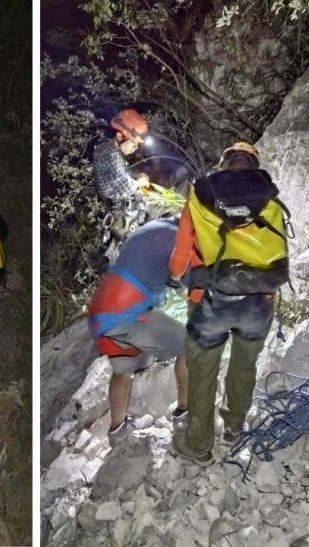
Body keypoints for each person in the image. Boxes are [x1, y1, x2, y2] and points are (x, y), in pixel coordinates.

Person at [168, 142, 285, 466]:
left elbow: (181, 253)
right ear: (253, 165)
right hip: (257, 301)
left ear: (223, 164)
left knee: (203, 371)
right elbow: (276, 252)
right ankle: (234, 427)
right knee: (244, 366)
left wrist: (176, 277)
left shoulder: (201, 196)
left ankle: (198, 445)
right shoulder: (268, 197)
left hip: (209, 301)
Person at [86, 218, 189, 445]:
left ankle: (117, 430)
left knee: (123, 371)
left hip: (101, 310)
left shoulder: (153, 227)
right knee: (191, 345)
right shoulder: (180, 243)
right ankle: (185, 413)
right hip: (128, 312)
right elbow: (193, 292)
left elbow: (170, 278)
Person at [93, 109, 152, 253]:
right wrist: (140, 182)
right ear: (120, 136)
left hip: (122, 210)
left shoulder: (108, 149)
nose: (135, 148)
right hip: (119, 217)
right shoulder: (111, 154)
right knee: (131, 251)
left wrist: (135, 176)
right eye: (133, 144)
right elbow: (123, 188)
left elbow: (117, 174)